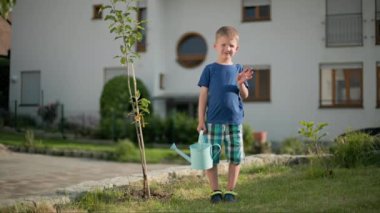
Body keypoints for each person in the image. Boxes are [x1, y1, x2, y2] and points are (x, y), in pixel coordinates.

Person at [197, 26, 254, 204]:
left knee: (235, 157)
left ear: (236, 49)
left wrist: (240, 83)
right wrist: (201, 120)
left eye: (231, 45)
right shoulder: (209, 69)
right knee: (211, 159)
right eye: (223, 44)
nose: (227, 48)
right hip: (213, 121)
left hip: (234, 122)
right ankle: (215, 190)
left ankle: (230, 190)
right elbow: (203, 96)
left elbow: (245, 96)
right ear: (215, 46)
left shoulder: (239, 70)